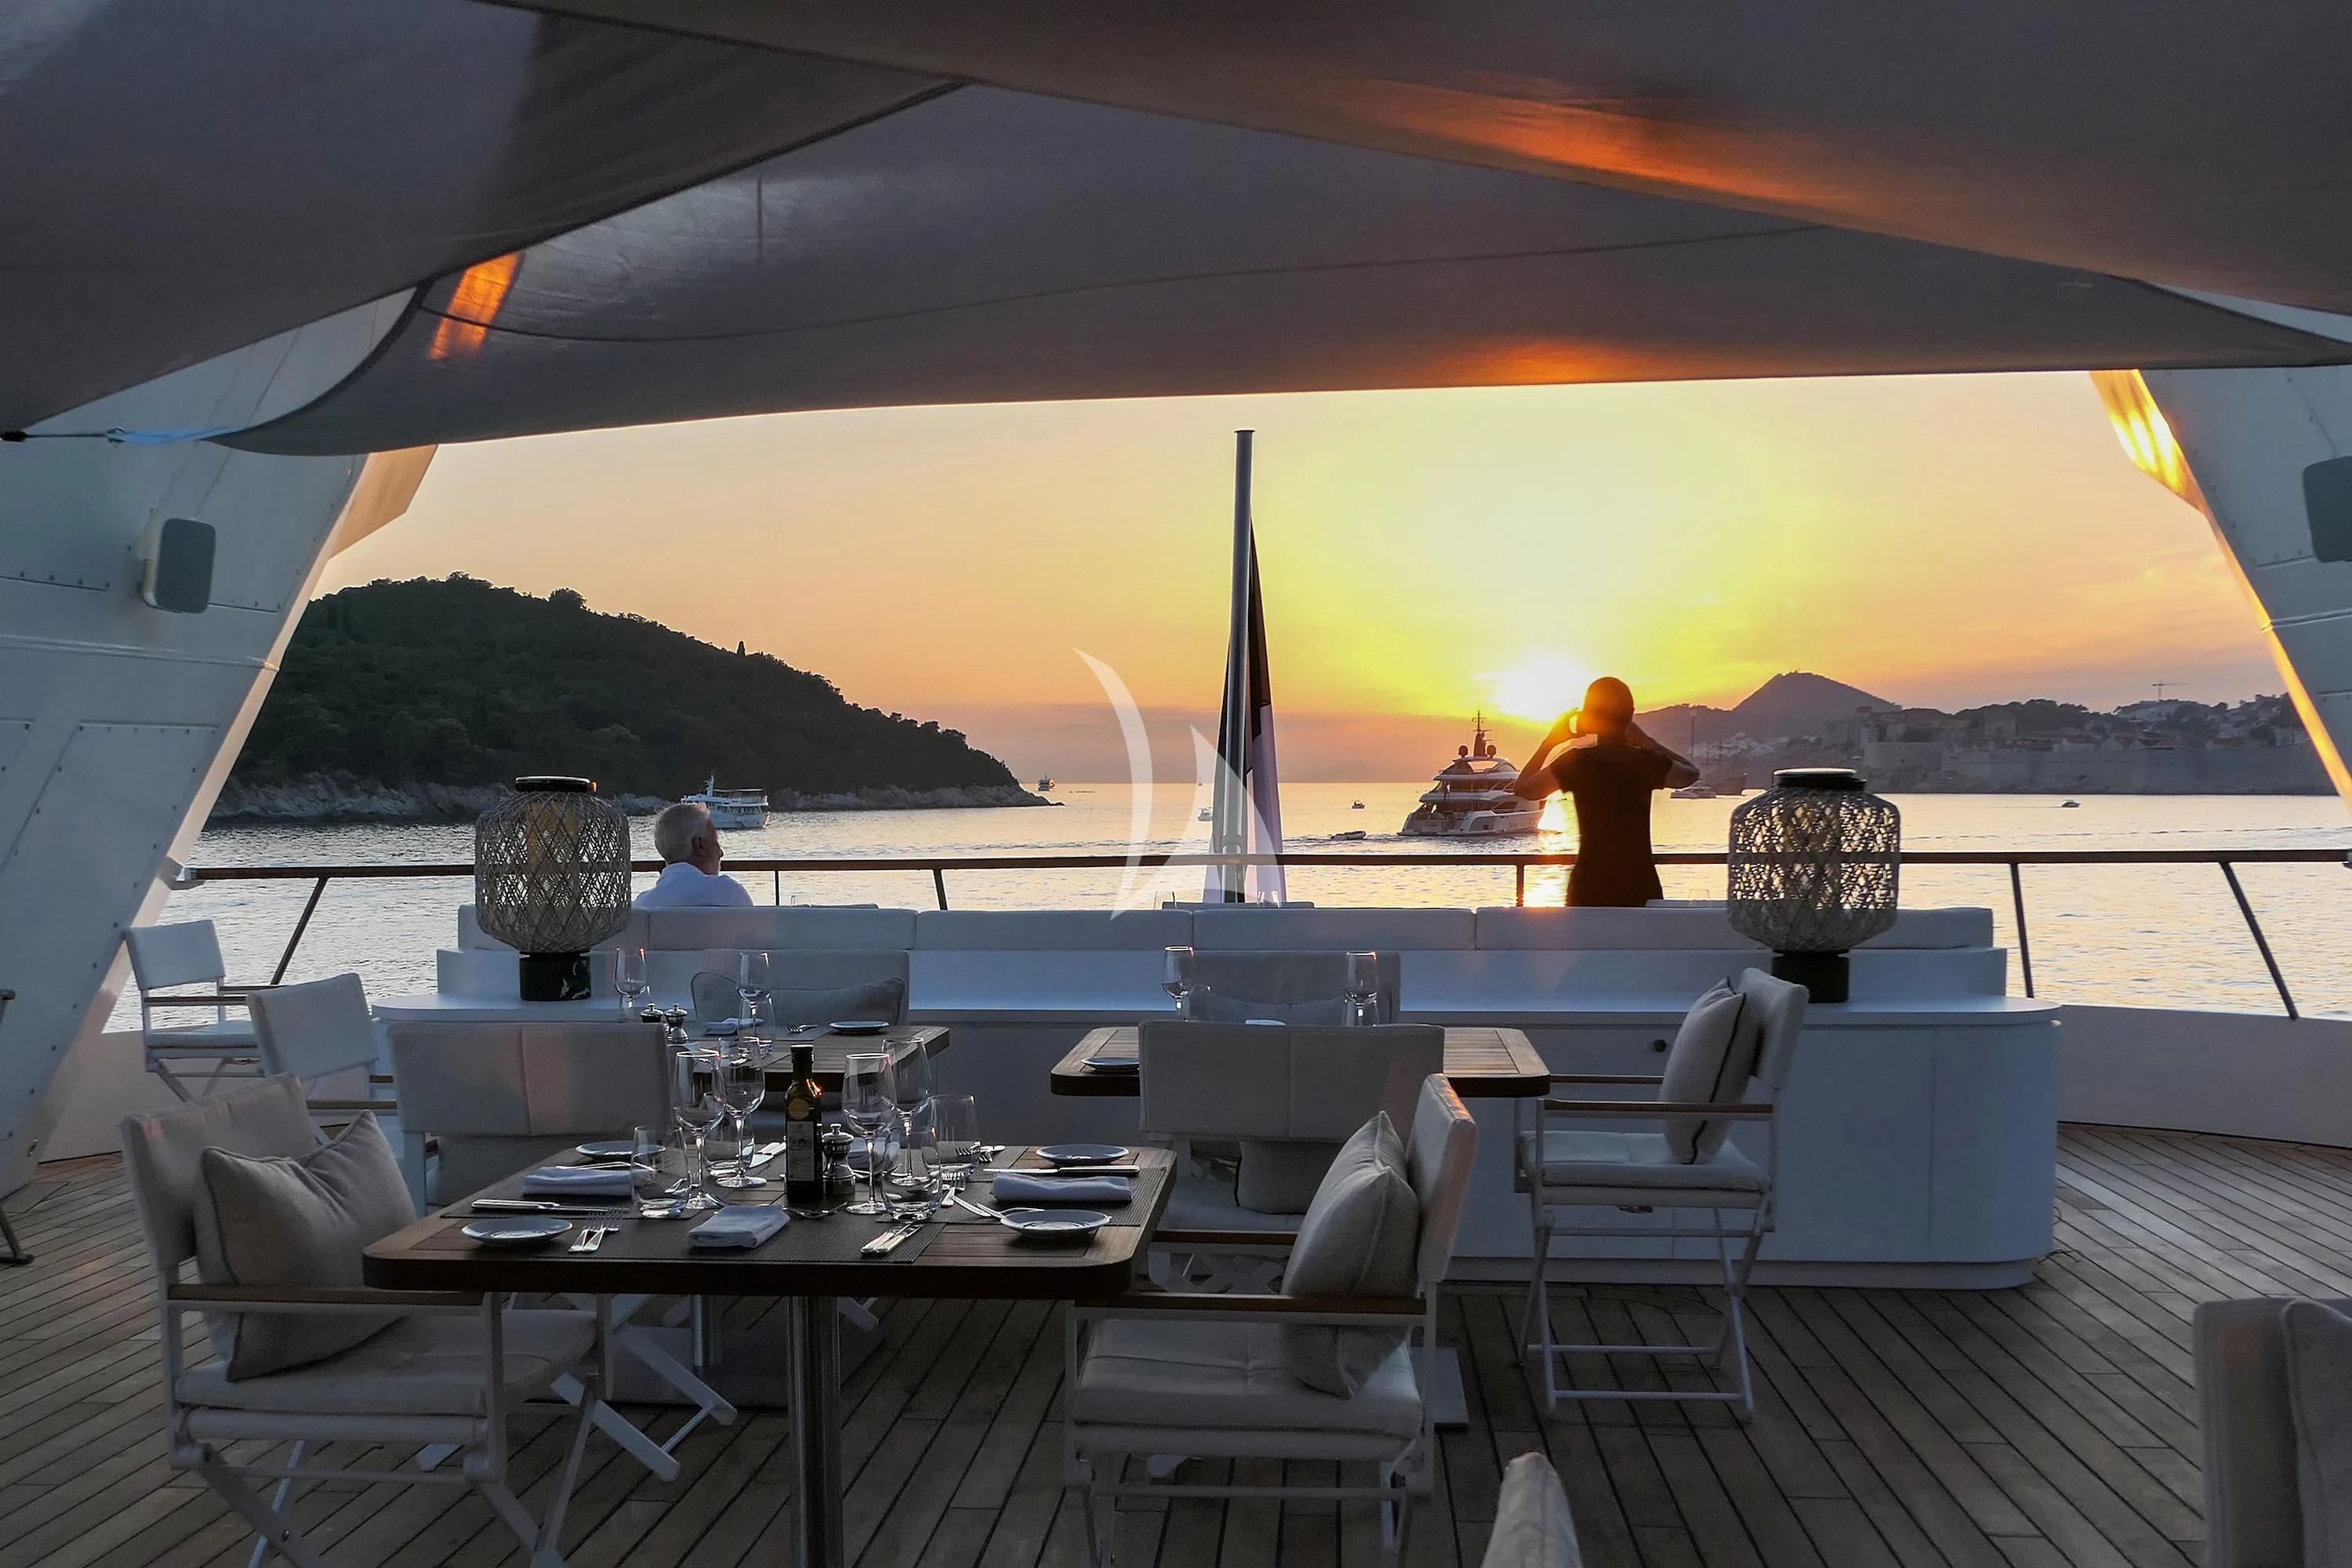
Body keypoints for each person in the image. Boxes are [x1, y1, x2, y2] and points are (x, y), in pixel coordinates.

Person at [1513, 676, 1701, 907]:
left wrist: (1551, 741)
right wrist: (1647, 742)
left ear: (1590, 717)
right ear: (1630, 715)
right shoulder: (1647, 762)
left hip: (1589, 886)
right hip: (1639, 884)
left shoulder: (1576, 763)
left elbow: (1524, 789)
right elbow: (1691, 774)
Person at [633, 800, 753, 909]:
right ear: (700, 845)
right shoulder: (729, 894)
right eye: (715, 842)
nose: (721, 853)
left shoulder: (641, 904)